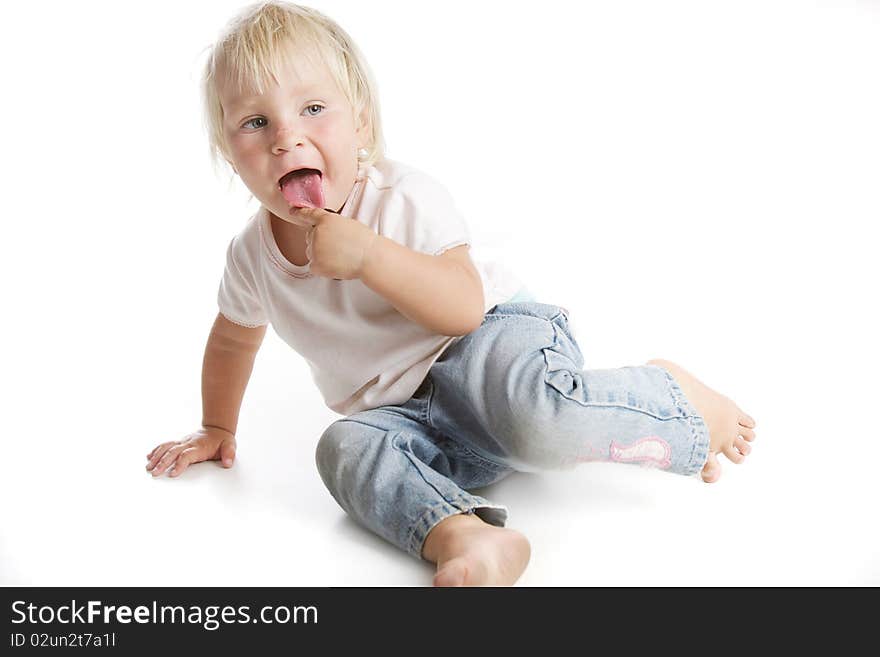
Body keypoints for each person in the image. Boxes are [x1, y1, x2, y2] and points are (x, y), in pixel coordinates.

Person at [145, 1, 757, 587]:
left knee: (536, 424)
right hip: (416, 418)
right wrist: (215, 426)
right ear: (230, 154)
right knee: (345, 448)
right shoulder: (252, 257)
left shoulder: (401, 199)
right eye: (256, 122)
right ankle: (464, 535)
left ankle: (671, 398)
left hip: (488, 347)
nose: (286, 138)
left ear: (361, 121)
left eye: (312, 108)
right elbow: (232, 340)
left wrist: (367, 256)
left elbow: (463, 309)